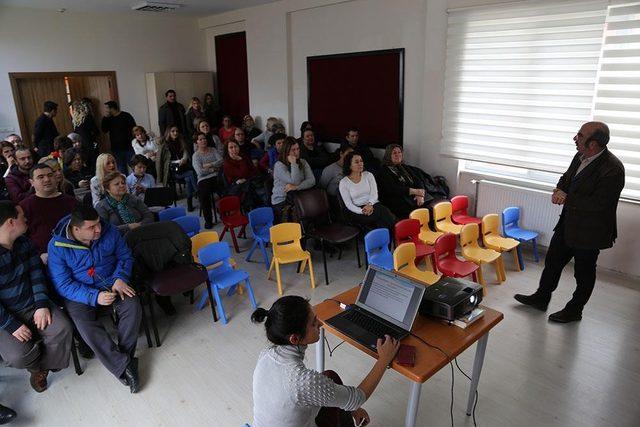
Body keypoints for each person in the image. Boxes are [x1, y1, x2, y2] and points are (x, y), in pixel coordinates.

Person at [515, 122, 625, 323]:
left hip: (590, 232)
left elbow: (600, 204)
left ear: (593, 144)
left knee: (583, 273)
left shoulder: (613, 168)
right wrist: (559, 189)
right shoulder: (580, 156)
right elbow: (566, 179)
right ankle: (541, 298)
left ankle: (575, 310)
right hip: (568, 224)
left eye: (580, 136)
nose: (575, 138)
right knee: (553, 262)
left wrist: (566, 198)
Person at [251, 295, 399, 427]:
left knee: (330, 376)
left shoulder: (266, 355)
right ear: (295, 339)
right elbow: (358, 397)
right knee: (331, 385)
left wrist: (352, 408)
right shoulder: (302, 382)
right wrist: (384, 359)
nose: (321, 324)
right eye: (314, 323)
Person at [47, 204, 142, 393]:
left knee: (133, 306)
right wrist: (94, 296)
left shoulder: (110, 230)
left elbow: (125, 257)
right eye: (91, 227)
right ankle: (124, 366)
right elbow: (63, 284)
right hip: (79, 292)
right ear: (76, 229)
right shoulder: (56, 246)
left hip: (111, 281)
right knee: (84, 325)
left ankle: (123, 360)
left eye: (98, 224)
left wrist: (120, 278)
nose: (98, 229)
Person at [0, 201, 73, 393]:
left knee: (63, 328)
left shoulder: (24, 242)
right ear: (10, 222)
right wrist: (11, 325)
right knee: (18, 356)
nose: (26, 219)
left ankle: (43, 369)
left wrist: (41, 304)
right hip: (5, 314)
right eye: (22, 216)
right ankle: (36, 366)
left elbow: (36, 274)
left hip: (32, 303)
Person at [19, 164, 77, 258]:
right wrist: (38, 255)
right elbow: (21, 239)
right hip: (42, 259)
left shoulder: (72, 202)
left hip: (75, 254)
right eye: (40, 177)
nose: (47, 179)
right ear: (31, 182)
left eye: (50, 175)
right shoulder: (24, 206)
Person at [339, 152, 397, 234]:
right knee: (383, 212)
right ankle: (398, 232)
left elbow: (374, 194)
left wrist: (370, 204)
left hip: (372, 204)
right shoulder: (344, 182)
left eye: (361, 161)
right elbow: (348, 204)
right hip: (357, 210)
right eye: (356, 162)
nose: (360, 164)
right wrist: (362, 211)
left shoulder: (368, 175)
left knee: (382, 218)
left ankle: (386, 240)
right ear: (349, 165)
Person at [376, 144, 436, 218]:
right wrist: (414, 191)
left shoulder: (404, 167)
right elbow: (393, 189)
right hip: (396, 200)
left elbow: (418, 180)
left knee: (428, 209)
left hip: (410, 196)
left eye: (399, 152)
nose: (398, 155)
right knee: (421, 210)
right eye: (394, 153)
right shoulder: (383, 171)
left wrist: (420, 194)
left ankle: (428, 228)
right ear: (388, 155)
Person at [272, 137, 315, 222]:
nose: (296, 152)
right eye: (293, 150)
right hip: (282, 201)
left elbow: (312, 181)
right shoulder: (279, 165)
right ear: (286, 151)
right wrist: (294, 163)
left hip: (298, 196)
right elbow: (295, 181)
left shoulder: (303, 162)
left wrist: (296, 187)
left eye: (298, 149)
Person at [156, 126, 197, 211]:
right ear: (168, 133)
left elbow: (185, 152)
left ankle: (189, 203)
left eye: (177, 131)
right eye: (173, 131)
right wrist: (160, 178)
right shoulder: (164, 145)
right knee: (191, 173)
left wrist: (184, 159)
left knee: (189, 179)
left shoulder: (181, 141)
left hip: (183, 167)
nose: (175, 133)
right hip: (172, 171)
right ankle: (198, 191)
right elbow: (160, 162)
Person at [192, 131, 223, 229]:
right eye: (200, 139)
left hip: (216, 176)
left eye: (204, 138)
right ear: (197, 142)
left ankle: (224, 213)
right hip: (203, 179)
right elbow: (200, 172)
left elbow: (221, 161)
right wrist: (214, 168)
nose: (203, 141)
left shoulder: (213, 150)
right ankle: (208, 220)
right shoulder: (196, 156)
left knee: (224, 189)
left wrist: (209, 165)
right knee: (204, 195)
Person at [223, 140, 265, 211]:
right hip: (236, 186)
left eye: (235, 146)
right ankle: (252, 211)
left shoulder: (243, 156)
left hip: (248, 181)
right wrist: (240, 161)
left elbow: (254, 170)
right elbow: (241, 174)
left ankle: (261, 209)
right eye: (231, 147)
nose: (234, 149)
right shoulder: (227, 162)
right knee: (251, 190)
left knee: (263, 185)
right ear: (227, 150)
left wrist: (246, 177)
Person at [101, 101, 136, 174]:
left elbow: (134, 128)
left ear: (112, 108)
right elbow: (104, 130)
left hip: (129, 147)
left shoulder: (126, 115)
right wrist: (105, 118)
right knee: (121, 169)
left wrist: (134, 141)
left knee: (135, 166)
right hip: (116, 149)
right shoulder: (108, 118)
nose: (106, 110)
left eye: (107, 108)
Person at [71, 100, 100, 171]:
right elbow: (96, 131)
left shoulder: (75, 121)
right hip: (90, 143)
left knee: (85, 163)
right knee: (94, 163)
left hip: (80, 145)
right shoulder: (88, 117)